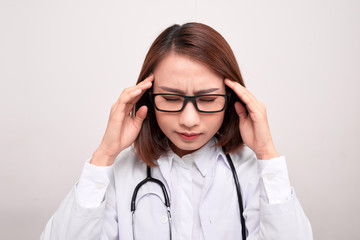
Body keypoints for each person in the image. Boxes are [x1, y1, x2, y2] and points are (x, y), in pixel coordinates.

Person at [41, 22, 313, 240]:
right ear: (147, 98)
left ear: (232, 99)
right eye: (171, 99)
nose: (189, 119)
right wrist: (104, 156)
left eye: (207, 100)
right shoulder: (120, 174)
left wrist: (267, 154)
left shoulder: (253, 174)